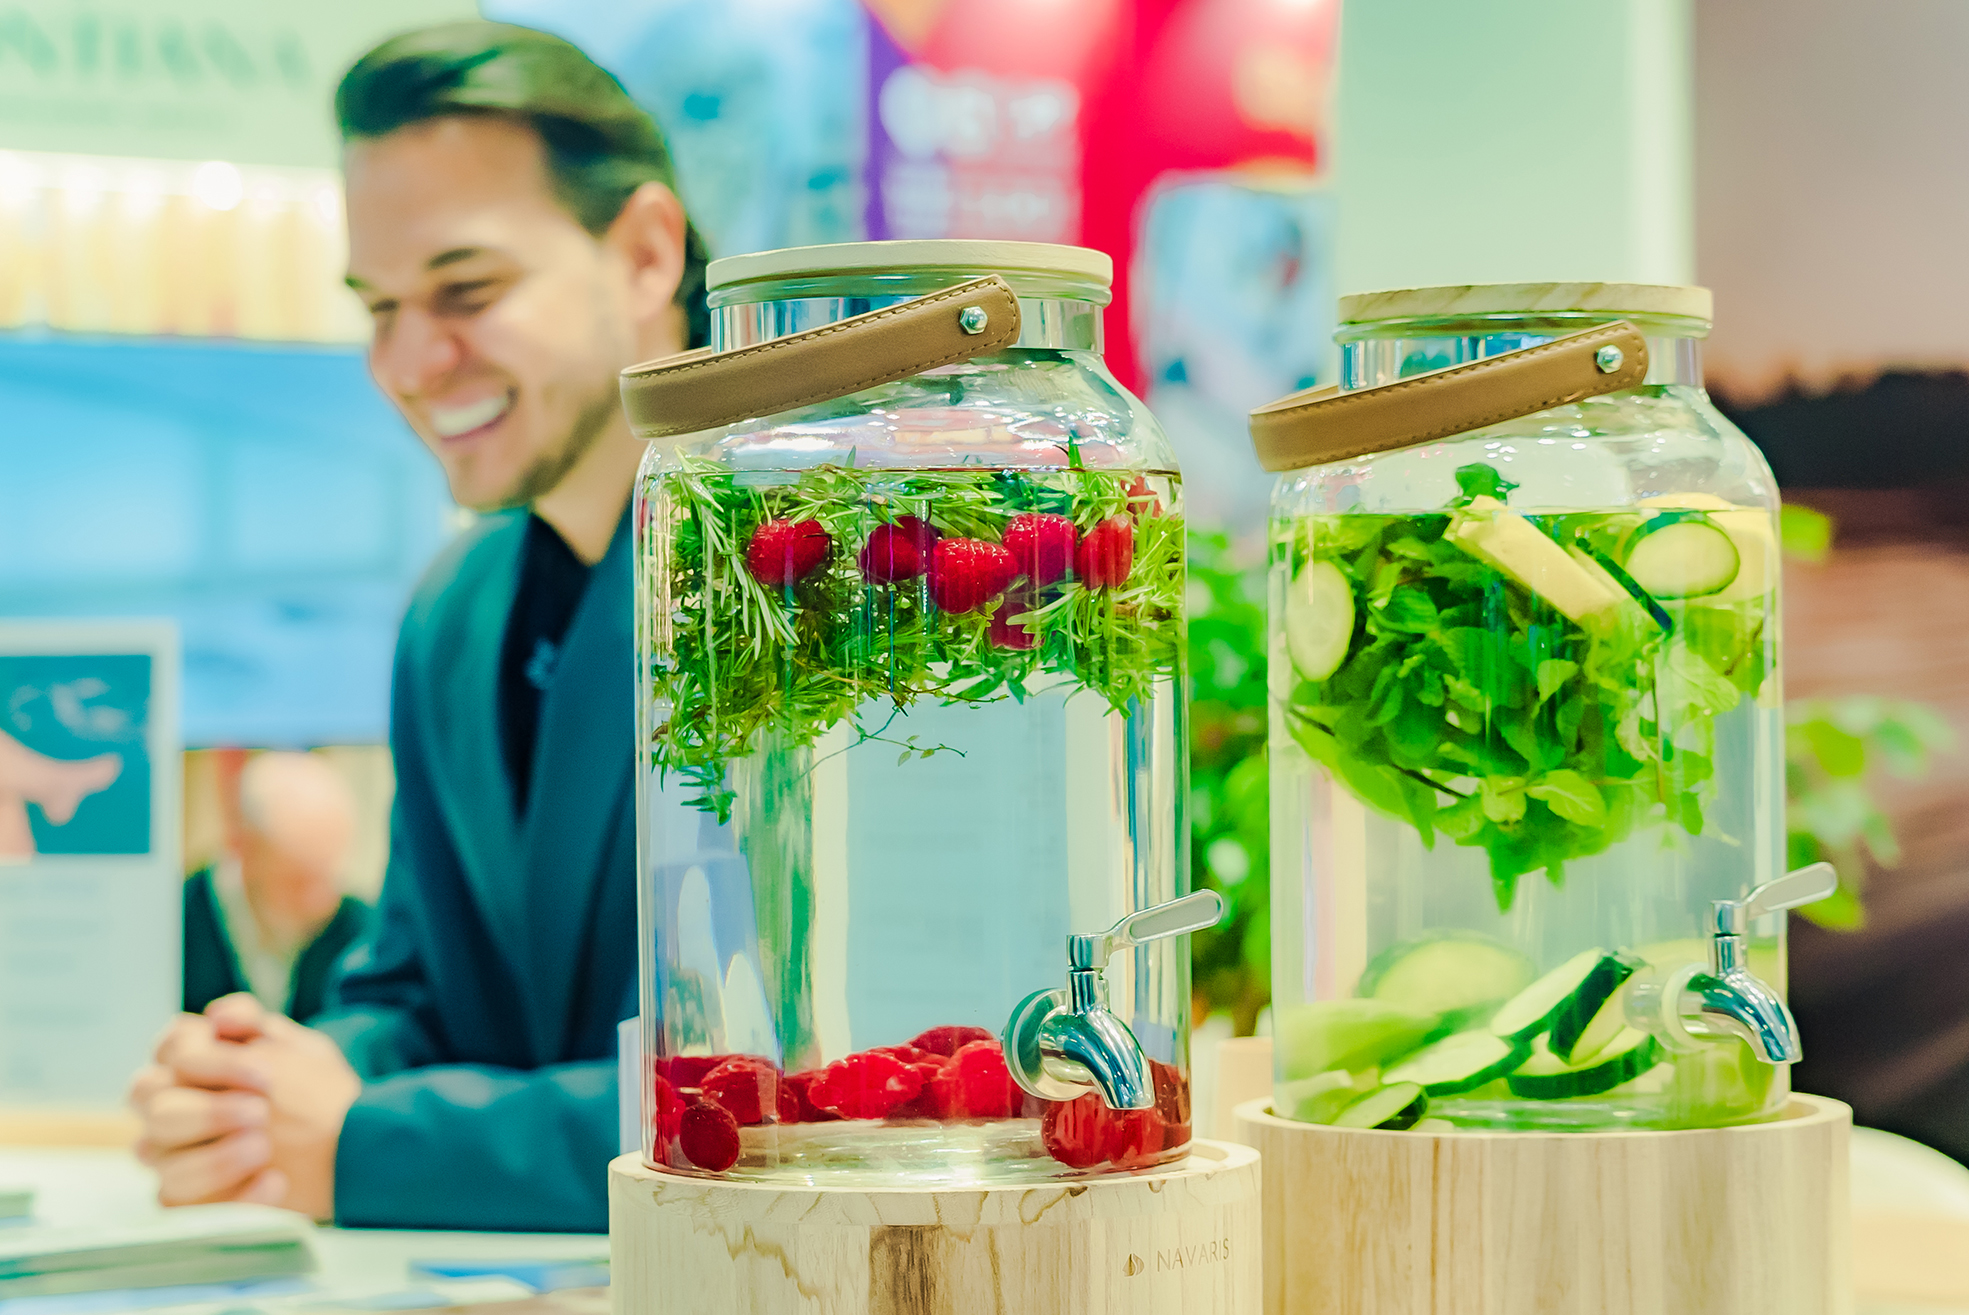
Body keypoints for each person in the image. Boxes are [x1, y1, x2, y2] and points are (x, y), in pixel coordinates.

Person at [127, 20, 709, 1231]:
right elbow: (416, 994)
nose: (409, 361)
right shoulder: (454, 611)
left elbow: (818, 1086)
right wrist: (261, 1089)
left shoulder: (811, 568)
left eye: (467, 291)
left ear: (646, 254)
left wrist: (370, 1146)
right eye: (380, 306)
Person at [182, 753, 369, 1024]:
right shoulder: (176, 924)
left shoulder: (359, 929)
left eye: (328, 876)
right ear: (244, 849)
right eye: (297, 882)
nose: (319, 903)